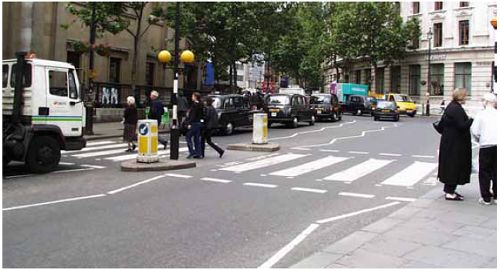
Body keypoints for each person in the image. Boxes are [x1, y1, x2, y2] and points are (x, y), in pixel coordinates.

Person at [438, 88, 473, 201]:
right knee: (454, 165)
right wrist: (471, 119)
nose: (466, 98)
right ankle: (449, 192)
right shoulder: (456, 109)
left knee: (451, 165)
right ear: (461, 97)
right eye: (465, 96)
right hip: (455, 144)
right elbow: (462, 126)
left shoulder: (452, 106)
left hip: (450, 142)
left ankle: (450, 189)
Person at [471, 93, 497, 205]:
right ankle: (497, 196)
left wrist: (479, 139)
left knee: (484, 171)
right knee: (497, 171)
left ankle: (486, 197)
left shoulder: (481, 115)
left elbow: (475, 130)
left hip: (486, 145)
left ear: (485, 102)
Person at [185, 92, 204, 159]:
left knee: (188, 137)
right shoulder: (201, 104)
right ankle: (199, 153)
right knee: (196, 138)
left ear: (195, 97)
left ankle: (192, 152)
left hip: (194, 123)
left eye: (193, 96)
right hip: (199, 123)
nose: (191, 97)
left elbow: (193, 116)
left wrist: (189, 123)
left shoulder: (195, 105)